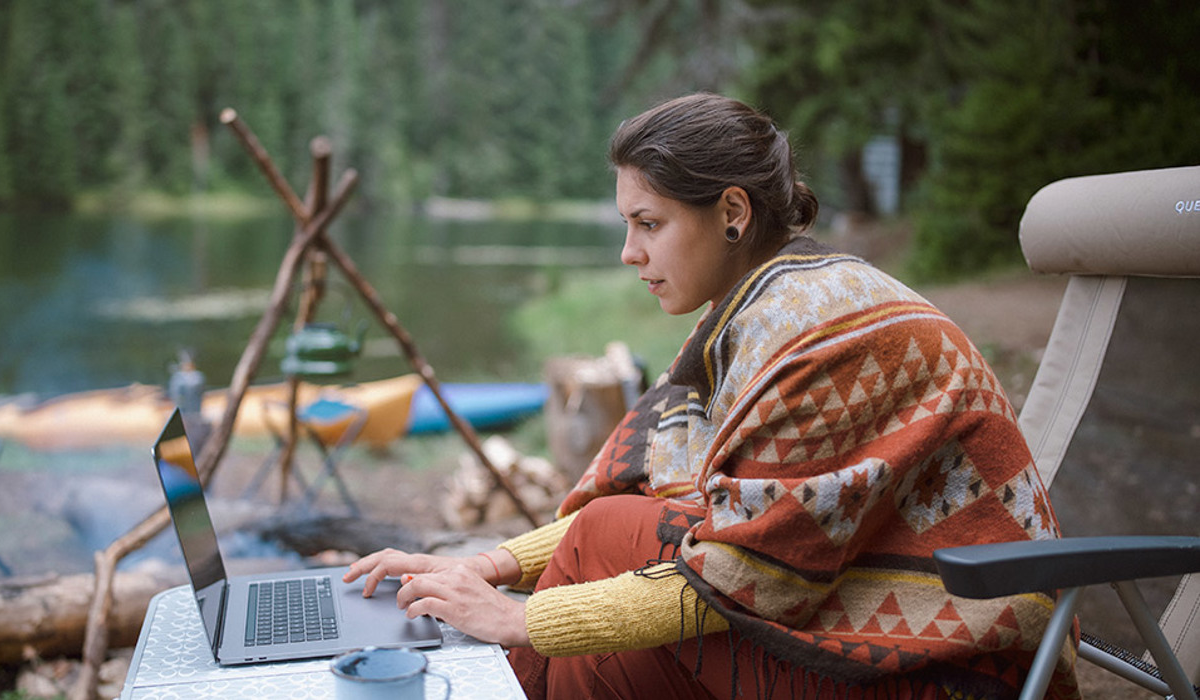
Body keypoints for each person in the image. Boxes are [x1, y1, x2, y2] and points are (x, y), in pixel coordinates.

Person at [344, 93, 1078, 699]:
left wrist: (515, 620)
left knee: (604, 547)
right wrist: (489, 567)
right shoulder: (765, 312)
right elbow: (699, 508)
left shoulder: (824, 336)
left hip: (956, 661)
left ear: (732, 210)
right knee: (610, 592)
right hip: (866, 611)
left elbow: (751, 578)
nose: (629, 254)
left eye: (648, 224)